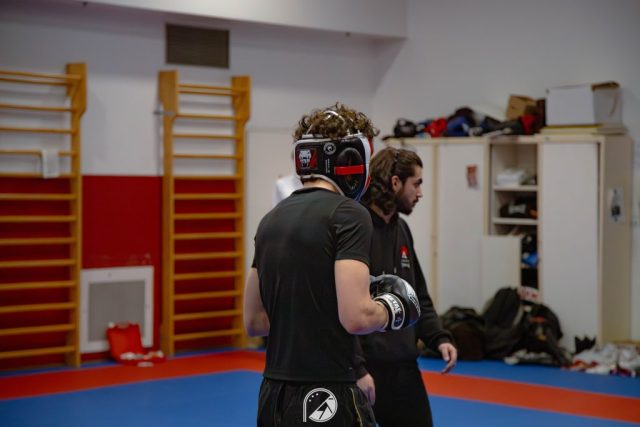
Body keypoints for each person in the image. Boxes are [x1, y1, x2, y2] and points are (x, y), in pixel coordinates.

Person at [243, 103, 422, 426]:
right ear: (350, 158)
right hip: (327, 391)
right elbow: (356, 317)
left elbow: (255, 322)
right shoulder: (349, 214)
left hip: (273, 394)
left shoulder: (271, 220)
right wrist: (392, 308)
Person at [356, 147, 458, 427]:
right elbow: (340, 308)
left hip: (403, 366)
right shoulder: (357, 229)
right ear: (395, 183)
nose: (420, 193)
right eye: (417, 183)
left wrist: (439, 337)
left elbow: (417, 295)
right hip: (364, 367)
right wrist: (357, 368)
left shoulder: (401, 229)